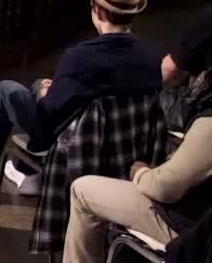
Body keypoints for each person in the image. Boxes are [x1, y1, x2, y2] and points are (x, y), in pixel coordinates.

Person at [0, 0, 162, 202]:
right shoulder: (150, 57)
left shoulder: (80, 58)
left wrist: (45, 93)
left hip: (73, 145)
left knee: (6, 90)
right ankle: (27, 173)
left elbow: (49, 114)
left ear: (98, 10)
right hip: (124, 151)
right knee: (38, 85)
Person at [63, 26, 212, 263]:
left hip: (189, 228)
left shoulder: (209, 124)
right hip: (196, 217)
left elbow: (165, 188)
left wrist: (140, 172)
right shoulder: (147, 55)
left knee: (81, 190)